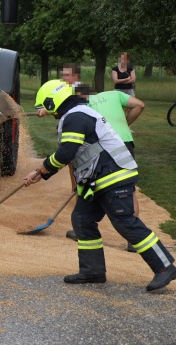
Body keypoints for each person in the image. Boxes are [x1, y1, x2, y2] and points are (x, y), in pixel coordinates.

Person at [24, 80, 176, 291]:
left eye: (46, 107)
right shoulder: (76, 114)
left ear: (52, 103)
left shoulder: (76, 117)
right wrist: (43, 172)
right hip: (96, 180)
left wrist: (41, 170)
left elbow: (67, 152)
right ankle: (92, 271)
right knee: (82, 219)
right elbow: (74, 153)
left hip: (113, 175)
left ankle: (165, 266)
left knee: (124, 221)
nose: (48, 112)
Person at [41, 64, 145, 251]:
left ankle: (84, 227)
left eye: (67, 75)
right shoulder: (113, 95)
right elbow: (139, 105)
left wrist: (48, 109)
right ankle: (132, 240)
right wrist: (124, 124)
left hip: (101, 143)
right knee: (128, 189)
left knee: (87, 180)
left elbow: (70, 148)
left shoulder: (80, 104)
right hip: (122, 141)